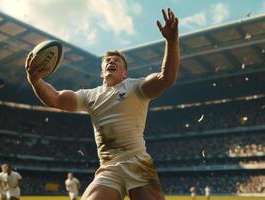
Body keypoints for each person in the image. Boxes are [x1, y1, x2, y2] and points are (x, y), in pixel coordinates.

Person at [25, 6, 179, 200]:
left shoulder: (136, 87)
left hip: (138, 163)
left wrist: (171, 41)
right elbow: (55, 98)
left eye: (116, 60)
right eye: (107, 61)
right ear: (101, 72)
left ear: (125, 73)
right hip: (109, 168)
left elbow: (167, 78)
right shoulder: (90, 96)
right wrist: (36, 81)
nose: (110, 62)